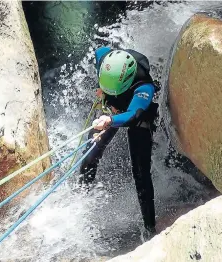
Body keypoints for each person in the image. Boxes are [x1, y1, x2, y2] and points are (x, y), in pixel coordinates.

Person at [79, 46, 160, 236]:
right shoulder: (105, 59)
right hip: (113, 107)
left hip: (136, 114)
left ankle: (150, 229)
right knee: (91, 152)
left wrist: (110, 120)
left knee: (141, 174)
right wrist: (102, 90)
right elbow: (99, 51)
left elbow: (133, 114)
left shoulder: (144, 87)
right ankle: (81, 198)